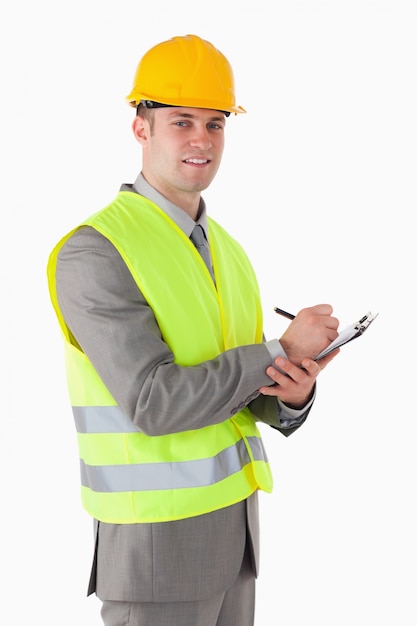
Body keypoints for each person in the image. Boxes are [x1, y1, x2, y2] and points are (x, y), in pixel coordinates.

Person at [47, 34, 340, 626]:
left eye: (216, 123)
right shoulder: (96, 252)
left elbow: (240, 393)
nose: (202, 140)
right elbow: (153, 402)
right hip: (155, 550)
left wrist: (293, 389)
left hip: (236, 538)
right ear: (141, 129)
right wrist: (279, 349)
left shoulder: (227, 251)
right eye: (181, 121)